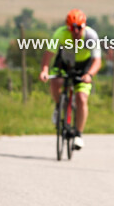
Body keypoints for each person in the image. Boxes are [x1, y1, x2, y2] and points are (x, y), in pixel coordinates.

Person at [39, 9, 103, 150]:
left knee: (81, 98)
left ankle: (78, 134)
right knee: (55, 82)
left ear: (84, 26)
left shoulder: (91, 36)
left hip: (83, 67)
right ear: (67, 27)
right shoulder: (60, 34)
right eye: (72, 28)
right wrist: (44, 71)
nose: (75, 31)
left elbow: (97, 61)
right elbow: (49, 54)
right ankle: (58, 106)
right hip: (64, 63)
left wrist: (90, 75)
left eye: (79, 28)